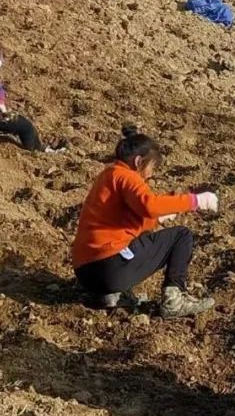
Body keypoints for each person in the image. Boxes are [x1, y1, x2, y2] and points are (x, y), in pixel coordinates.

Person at [71, 126, 219, 316]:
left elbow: (131, 222)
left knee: (139, 239)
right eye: (152, 168)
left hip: (86, 272)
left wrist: (157, 218)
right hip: (109, 268)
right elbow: (150, 205)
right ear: (139, 161)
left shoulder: (108, 175)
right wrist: (195, 200)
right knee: (181, 235)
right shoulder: (126, 176)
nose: (150, 175)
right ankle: (174, 299)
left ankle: (110, 295)